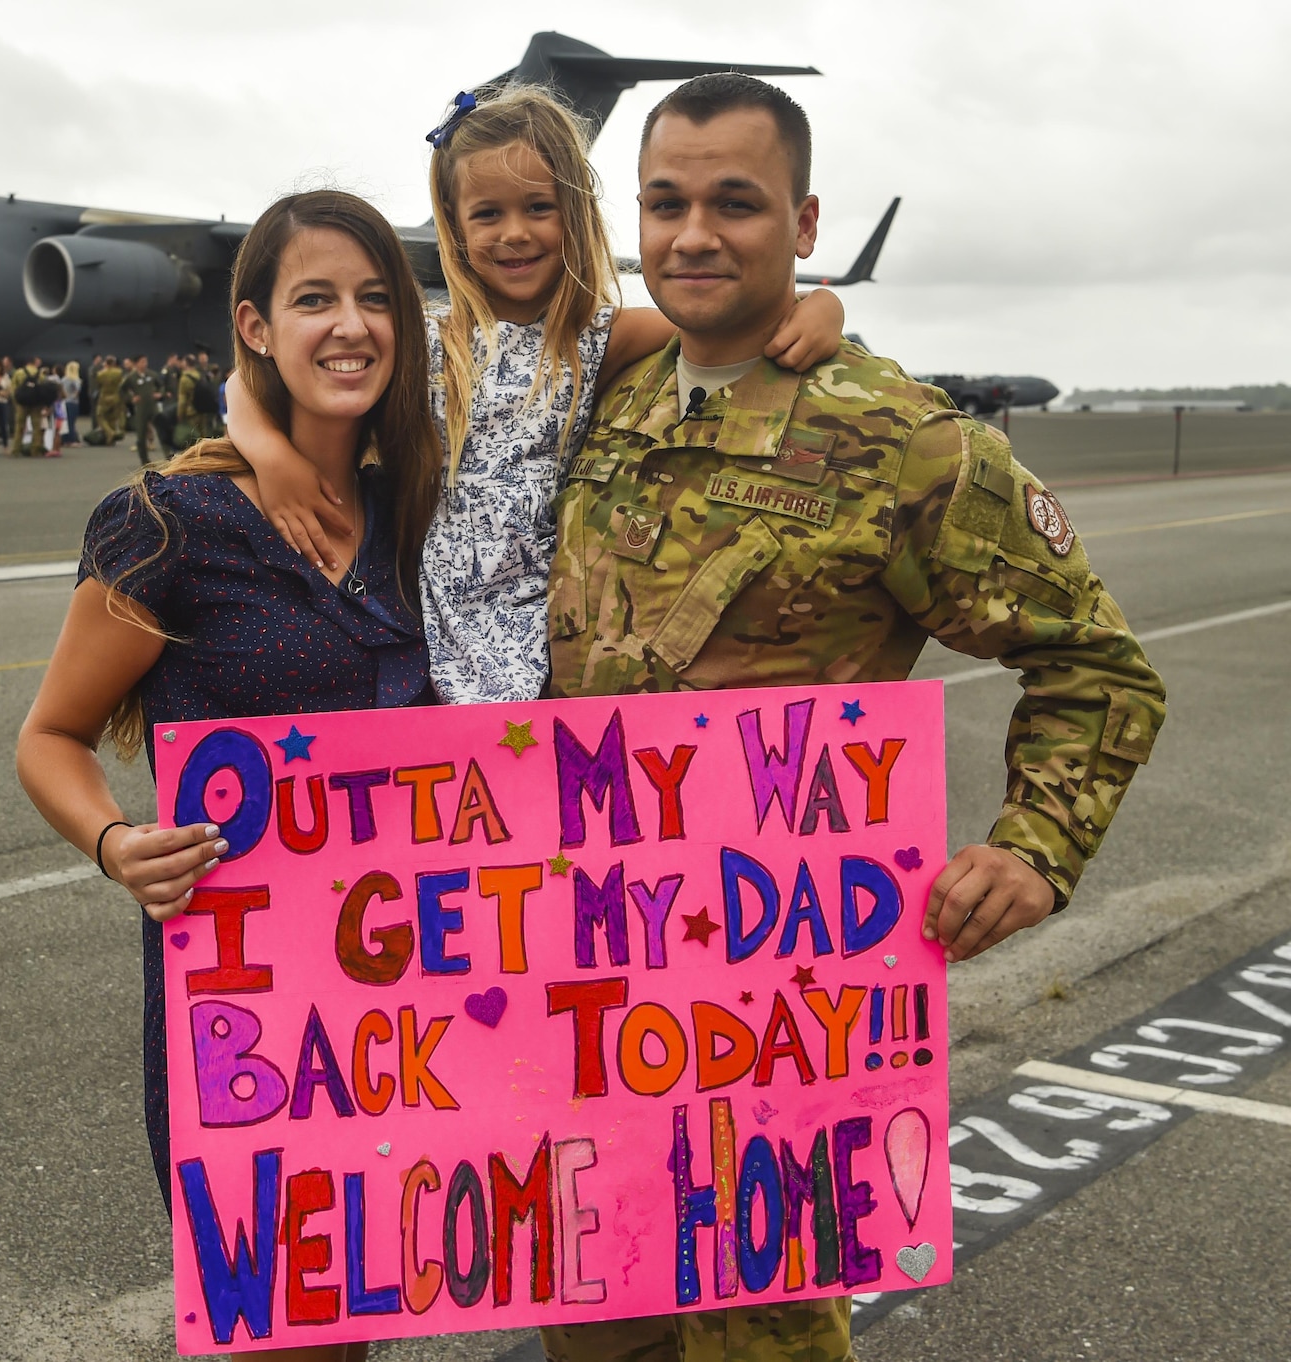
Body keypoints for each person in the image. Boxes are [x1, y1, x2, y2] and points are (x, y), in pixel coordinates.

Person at [526, 72, 1168, 1362]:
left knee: (758, 1333)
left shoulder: (905, 444)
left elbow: (1094, 665)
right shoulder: (595, 406)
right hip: (578, 984)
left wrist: (1034, 849)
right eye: (665, 202)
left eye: (735, 203)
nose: (694, 233)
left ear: (804, 223)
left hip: (774, 1003)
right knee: (595, 1330)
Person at [16, 190, 443, 1362]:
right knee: (285, 1333)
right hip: (251, 1019)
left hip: (419, 999)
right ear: (252, 327)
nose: (347, 325)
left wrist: (808, 316)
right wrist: (113, 843)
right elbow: (50, 735)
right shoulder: (171, 524)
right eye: (313, 300)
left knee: (368, 1308)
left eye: (371, 300)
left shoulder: (427, 514)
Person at [230, 84, 844, 707]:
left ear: (573, 210)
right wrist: (269, 456)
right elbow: (245, 383)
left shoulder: (598, 339)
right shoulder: (426, 342)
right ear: (456, 224)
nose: (514, 233)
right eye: (488, 214)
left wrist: (821, 305)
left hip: (547, 636)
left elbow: (733, 322)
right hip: (430, 629)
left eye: (538, 207)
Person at [11, 355, 50, 457]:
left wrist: (16, 402)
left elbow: (13, 389)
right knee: (36, 428)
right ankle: (35, 450)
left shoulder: (19, 373)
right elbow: (44, 390)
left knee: (19, 427)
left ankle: (16, 450)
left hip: (22, 404)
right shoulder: (40, 375)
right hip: (36, 404)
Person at [124, 355, 158, 465]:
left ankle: (169, 457)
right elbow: (122, 390)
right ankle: (144, 460)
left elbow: (161, 386)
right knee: (141, 435)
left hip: (153, 407)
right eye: (142, 362)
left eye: (146, 361)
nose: (145, 364)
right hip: (141, 409)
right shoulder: (131, 377)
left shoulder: (152, 375)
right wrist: (131, 398)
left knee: (163, 430)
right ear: (136, 364)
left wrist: (160, 393)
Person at [92, 355, 126, 445]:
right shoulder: (119, 372)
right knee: (112, 418)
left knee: (100, 416)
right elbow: (122, 384)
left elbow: (98, 385)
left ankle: (110, 432)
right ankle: (111, 441)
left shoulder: (101, 374)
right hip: (115, 397)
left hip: (104, 397)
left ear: (106, 363)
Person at [59, 360, 82, 447]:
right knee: (71, 422)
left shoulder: (63, 379)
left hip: (64, 402)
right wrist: (74, 396)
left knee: (66, 422)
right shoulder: (75, 379)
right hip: (72, 402)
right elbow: (77, 389)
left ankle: (64, 439)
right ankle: (71, 440)